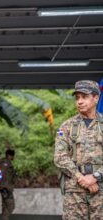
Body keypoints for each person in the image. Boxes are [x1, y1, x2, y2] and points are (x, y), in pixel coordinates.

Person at [54, 80, 103, 219]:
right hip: (75, 193)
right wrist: (81, 178)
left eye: (84, 96)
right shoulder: (67, 126)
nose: (80, 101)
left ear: (96, 98)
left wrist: (95, 176)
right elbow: (59, 157)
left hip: (101, 190)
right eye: (77, 97)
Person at [0, 149, 16, 220]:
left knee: (5, 205)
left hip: (4, 187)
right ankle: (5, 218)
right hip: (5, 187)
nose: (13, 158)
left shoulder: (5, 162)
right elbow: (1, 173)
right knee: (11, 205)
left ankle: (5, 218)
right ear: (9, 155)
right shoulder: (5, 163)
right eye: (13, 156)